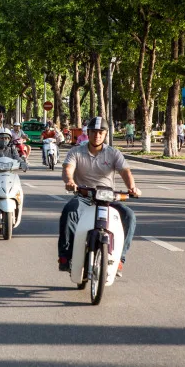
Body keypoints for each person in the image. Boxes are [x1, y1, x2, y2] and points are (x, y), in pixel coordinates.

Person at [59, 117, 141, 276]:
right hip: (84, 197)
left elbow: (125, 172)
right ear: (88, 133)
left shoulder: (113, 153)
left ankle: (120, 259)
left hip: (108, 199)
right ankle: (65, 257)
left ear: (105, 135)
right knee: (69, 212)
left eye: (100, 132)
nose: (97, 135)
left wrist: (132, 188)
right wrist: (70, 181)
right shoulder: (76, 152)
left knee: (129, 216)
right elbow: (68, 169)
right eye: (94, 132)